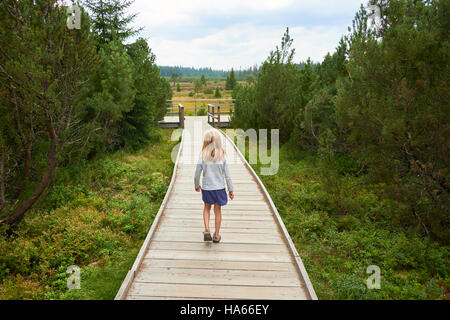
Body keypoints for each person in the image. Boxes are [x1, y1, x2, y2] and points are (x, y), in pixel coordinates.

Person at [194, 130, 234, 243]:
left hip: (207, 188)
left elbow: (197, 174)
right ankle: (216, 235)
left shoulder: (202, 156)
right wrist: (230, 189)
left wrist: (197, 185)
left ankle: (207, 229)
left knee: (207, 208)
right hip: (219, 188)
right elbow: (228, 176)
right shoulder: (223, 157)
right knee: (218, 210)